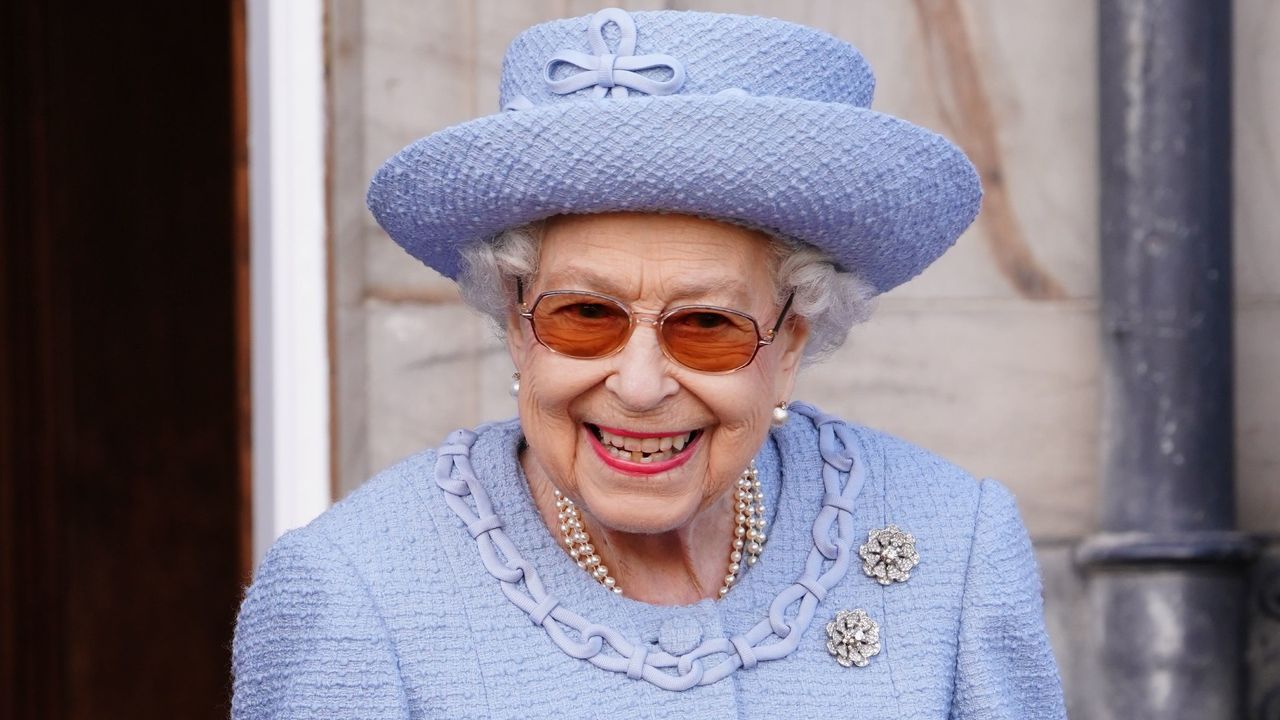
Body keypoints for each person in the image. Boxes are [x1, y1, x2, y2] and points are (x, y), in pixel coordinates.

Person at [232, 8, 1067, 719]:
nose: (637, 385)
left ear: (792, 344)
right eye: (584, 316)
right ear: (516, 322)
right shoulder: (351, 597)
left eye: (706, 325)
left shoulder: (956, 548)